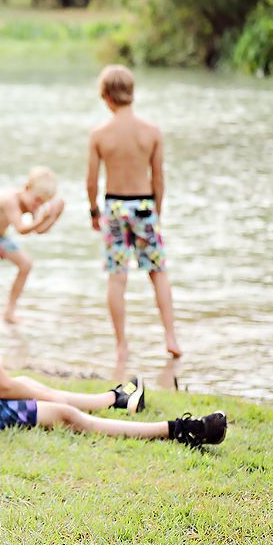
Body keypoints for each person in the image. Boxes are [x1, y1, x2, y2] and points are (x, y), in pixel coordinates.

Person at [0, 223, 227, 447]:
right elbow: (4, 387)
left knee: (32, 385)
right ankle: (178, 430)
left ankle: (114, 400)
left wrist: (36, 391)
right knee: (63, 415)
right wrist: (47, 398)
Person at [87, 65, 182, 371]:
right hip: (144, 205)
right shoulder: (151, 132)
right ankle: (171, 337)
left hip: (114, 206)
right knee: (158, 272)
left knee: (117, 276)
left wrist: (93, 211)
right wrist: (158, 212)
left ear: (105, 96)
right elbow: (159, 178)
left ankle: (121, 346)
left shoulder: (100, 135)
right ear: (131, 92)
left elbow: (91, 181)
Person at [0, 166, 65, 323]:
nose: (38, 205)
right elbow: (21, 229)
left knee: (26, 264)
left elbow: (39, 230)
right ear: (27, 188)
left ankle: (9, 312)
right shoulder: (11, 200)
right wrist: (43, 219)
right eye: (37, 200)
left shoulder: (32, 204)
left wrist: (54, 216)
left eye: (42, 203)